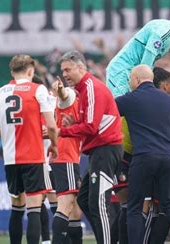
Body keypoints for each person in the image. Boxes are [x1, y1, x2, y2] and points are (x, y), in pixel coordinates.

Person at [115, 64, 170, 244]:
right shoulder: (169, 101)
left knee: (135, 207)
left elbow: (108, 112)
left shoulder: (129, 99)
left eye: (130, 80)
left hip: (143, 156)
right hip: (168, 157)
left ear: (136, 79)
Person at [0, 54, 58, 244]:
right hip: (33, 157)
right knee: (34, 207)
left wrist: (9, 134)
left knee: (16, 207)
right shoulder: (38, 89)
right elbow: (51, 125)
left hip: (10, 159)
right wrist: (55, 145)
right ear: (31, 71)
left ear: (12, 72)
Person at [57, 51, 123, 244]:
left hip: (106, 149)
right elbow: (92, 122)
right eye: (63, 71)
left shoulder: (91, 87)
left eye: (68, 69)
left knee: (98, 203)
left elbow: (91, 126)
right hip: (100, 150)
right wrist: (74, 122)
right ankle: (108, 238)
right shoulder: (84, 90)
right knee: (86, 200)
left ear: (81, 67)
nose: (65, 74)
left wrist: (63, 131)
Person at [106, 11, 170, 97]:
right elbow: (146, 64)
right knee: (119, 108)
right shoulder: (163, 32)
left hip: (131, 72)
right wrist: (146, 88)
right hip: (122, 70)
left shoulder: (168, 31)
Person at [49, 77, 84, 244]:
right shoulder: (71, 94)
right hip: (66, 156)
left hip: (65, 157)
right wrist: (61, 89)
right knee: (65, 205)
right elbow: (64, 96)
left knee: (75, 210)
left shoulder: (79, 101)